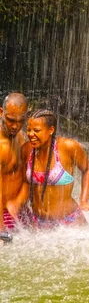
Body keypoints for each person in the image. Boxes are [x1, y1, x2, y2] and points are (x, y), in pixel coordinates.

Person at [8, 109, 89, 228]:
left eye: (36, 130)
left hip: (69, 220)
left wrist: (84, 200)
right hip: (38, 220)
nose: (30, 134)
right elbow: (26, 182)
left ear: (51, 130)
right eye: (29, 129)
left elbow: (87, 169)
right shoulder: (27, 149)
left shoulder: (68, 146)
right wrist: (17, 202)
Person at [0, 92, 28, 240]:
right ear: (1, 112)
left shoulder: (21, 136)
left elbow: (27, 176)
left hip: (19, 210)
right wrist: (1, 229)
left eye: (20, 121)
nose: (15, 126)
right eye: (11, 120)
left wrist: (18, 202)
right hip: (3, 216)